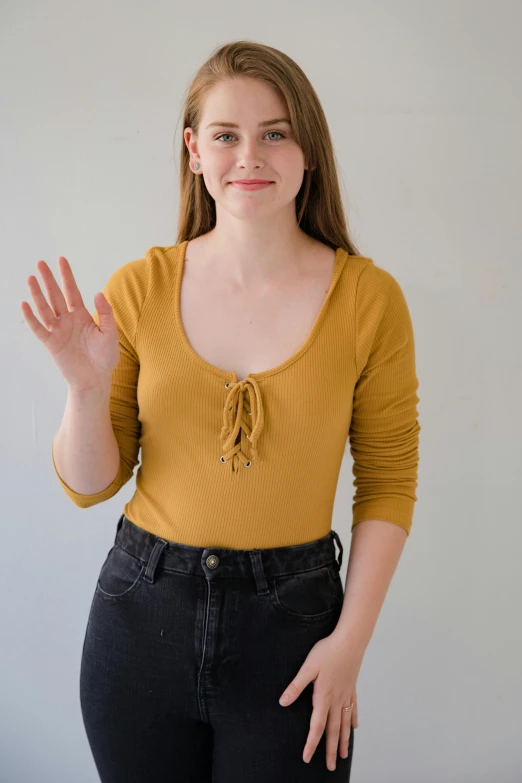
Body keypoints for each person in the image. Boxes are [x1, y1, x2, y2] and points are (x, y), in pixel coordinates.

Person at [21, 40, 420, 782]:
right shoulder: (140, 286)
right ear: (194, 152)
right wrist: (83, 387)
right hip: (139, 622)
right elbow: (89, 483)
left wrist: (351, 642)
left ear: (308, 149)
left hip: (296, 634)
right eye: (226, 135)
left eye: (276, 131)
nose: (251, 155)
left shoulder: (370, 300)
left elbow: (389, 480)